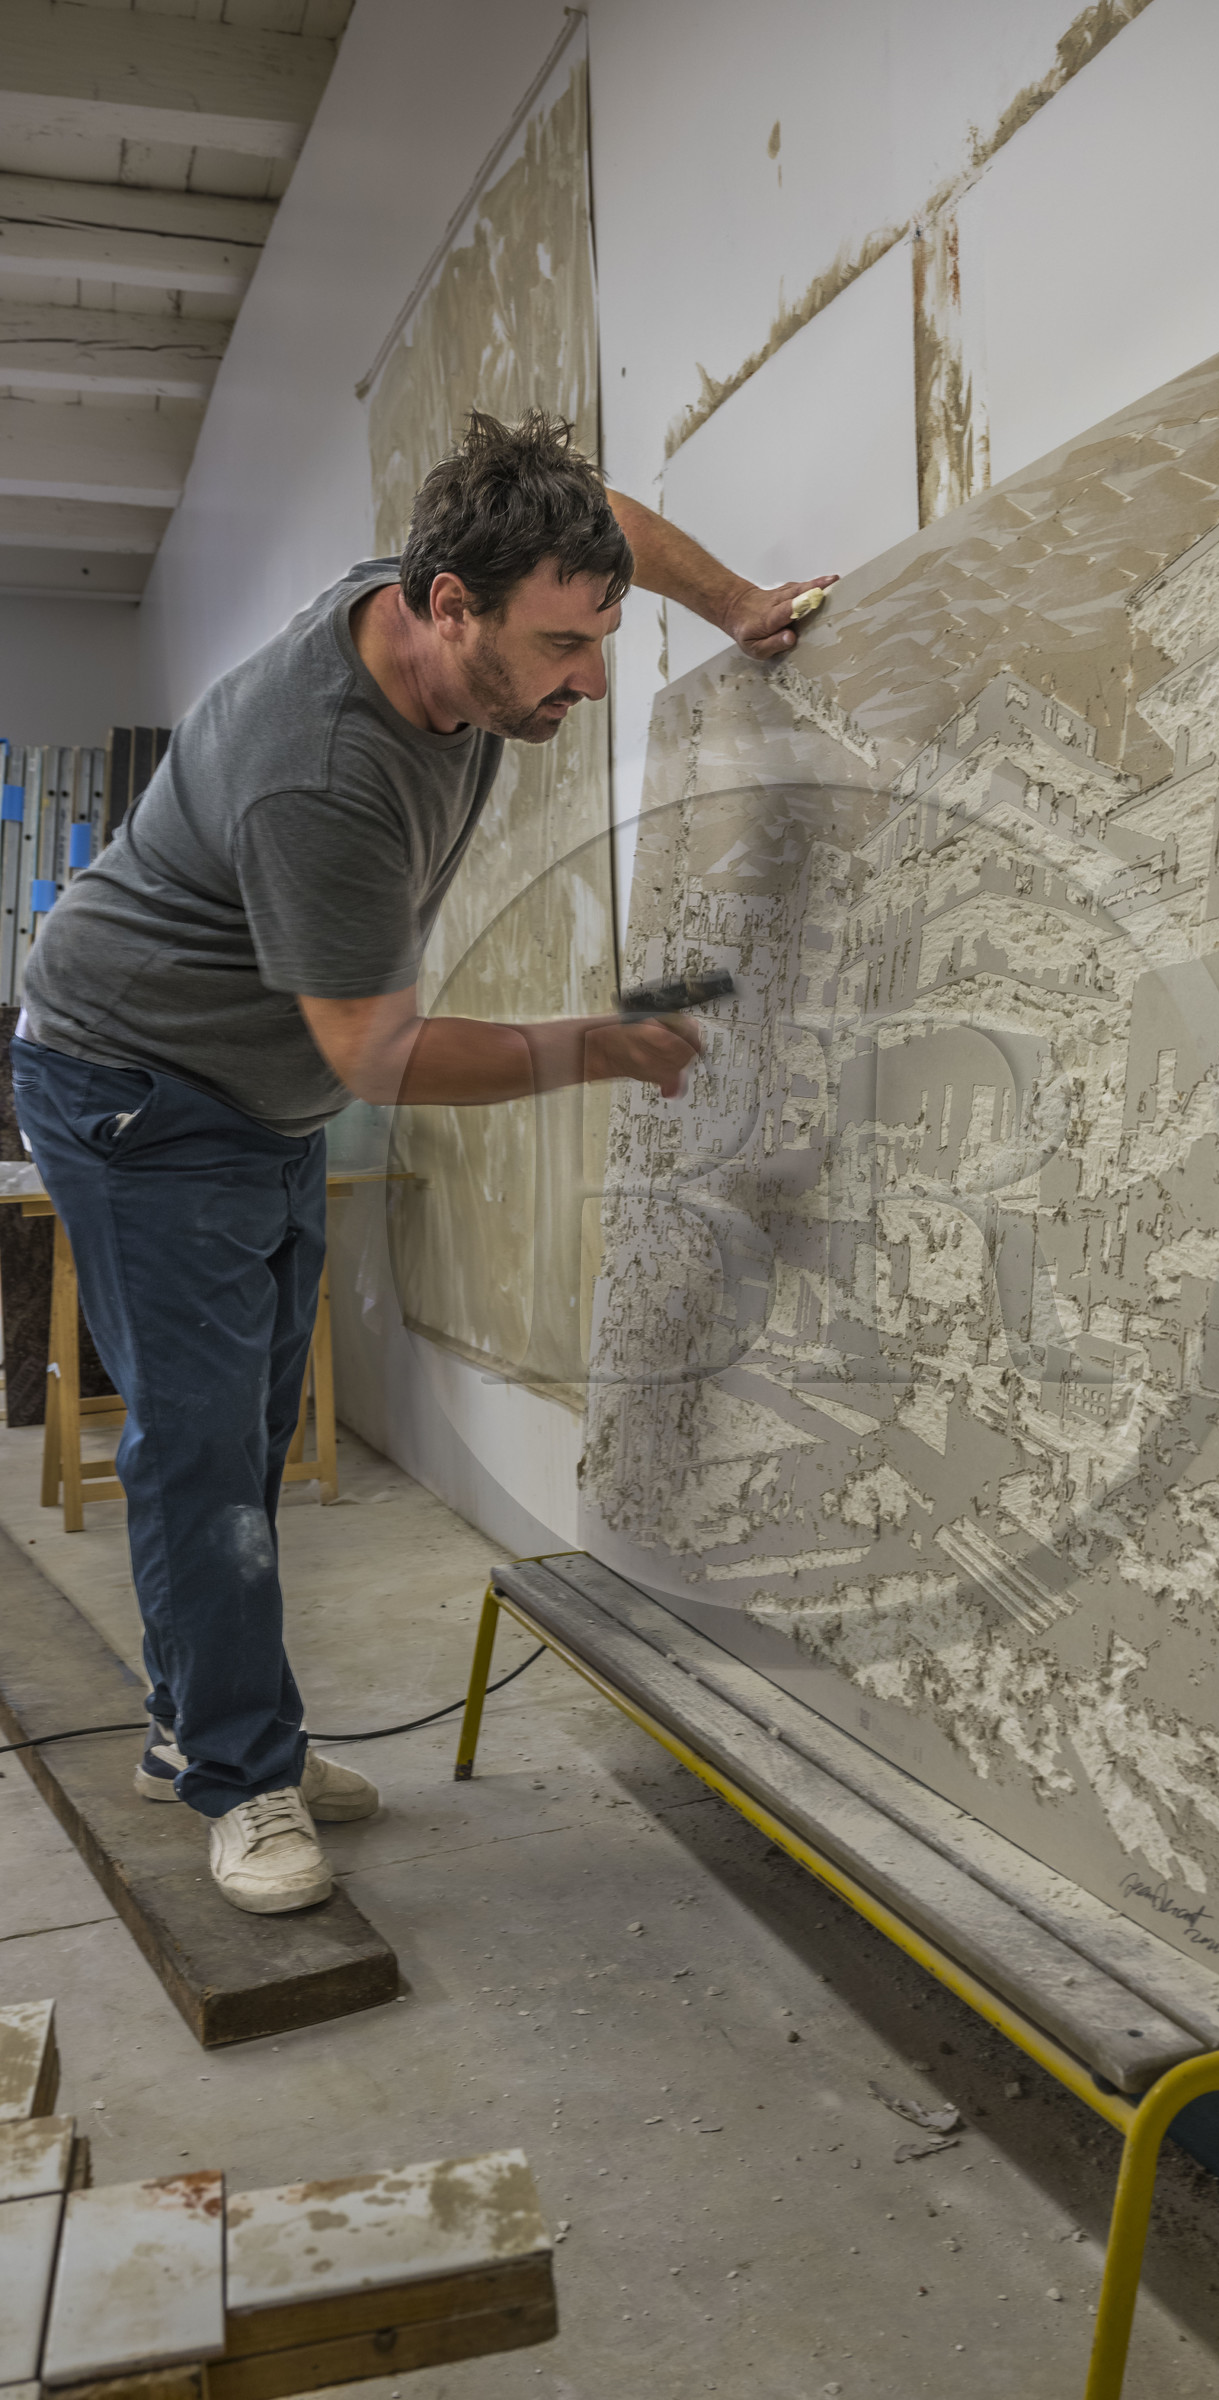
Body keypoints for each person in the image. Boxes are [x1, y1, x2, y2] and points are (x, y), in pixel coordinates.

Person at [13, 409, 835, 1917]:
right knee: (202, 1452)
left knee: (244, 1430)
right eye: (565, 648)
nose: (593, 678)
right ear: (447, 609)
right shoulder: (323, 776)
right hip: (133, 1083)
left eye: (603, 636)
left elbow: (612, 527)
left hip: (249, 1091)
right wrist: (599, 1043)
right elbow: (379, 1058)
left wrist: (737, 607)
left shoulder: (474, 587)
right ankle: (241, 1777)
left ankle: (199, 1726)